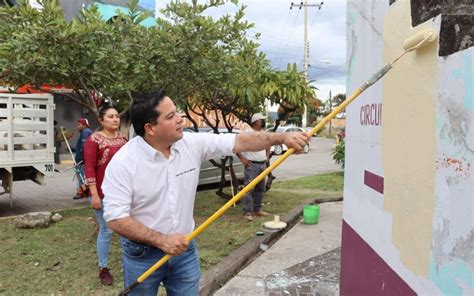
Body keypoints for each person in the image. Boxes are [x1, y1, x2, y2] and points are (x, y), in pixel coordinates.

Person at [102, 90, 309, 295]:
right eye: (170, 116)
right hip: (143, 255)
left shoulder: (190, 144)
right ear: (150, 128)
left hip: (185, 250)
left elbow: (241, 141)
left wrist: (282, 137)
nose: (180, 120)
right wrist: (162, 240)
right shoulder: (124, 162)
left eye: (177, 113)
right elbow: (116, 218)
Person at [84, 106, 127, 286]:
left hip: (123, 194)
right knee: (106, 231)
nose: (115, 119)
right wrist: (94, 195)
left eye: (117, 116)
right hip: (102, 194)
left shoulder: (123, 139)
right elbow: (89, 168)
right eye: (110, 117)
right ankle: (104, 268)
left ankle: (130, 265)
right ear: (102, 120)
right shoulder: (93, 140)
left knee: (126, 230)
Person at [237, 113, 271, 221]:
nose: (263, 122)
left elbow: (268, 145)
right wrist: (242, 159)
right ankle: (247, 213)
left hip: (262, 164)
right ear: (256, 121)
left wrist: (267, 157)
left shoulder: (263, 133)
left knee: (260, 189)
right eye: (262, 120)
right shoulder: (246, 134)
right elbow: (236, 146)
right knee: (249, 189)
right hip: (252, 165)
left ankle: (257, 210)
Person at [73, 117, 93, 199]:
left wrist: (82, 159)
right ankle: (85, 192)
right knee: (82, 177)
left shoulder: (85, 131)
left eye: (79, 125)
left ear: (84, 125)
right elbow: (80, 147)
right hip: (81, 160)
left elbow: (85, 147)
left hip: (82, 161)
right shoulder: (86, 132)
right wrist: (71, 148)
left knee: (82, 177)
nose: (77, 126)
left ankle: (81, 192)